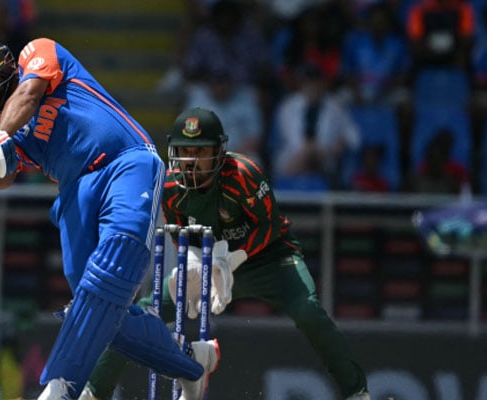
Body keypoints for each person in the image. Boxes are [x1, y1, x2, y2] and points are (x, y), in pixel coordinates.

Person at [0, 35, 219, 400]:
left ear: (3, 62)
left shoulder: (37, 53)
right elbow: (8, 169)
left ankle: (61, 385)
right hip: (76, 192)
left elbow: (27, 96)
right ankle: (193, 365)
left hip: (124, 162)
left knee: (113, 266)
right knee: (102, 308)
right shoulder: (13, 130)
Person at [83, 108, 371, 400]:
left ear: (219, 151)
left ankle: (356, 392)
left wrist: (234, 259)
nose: (190, 161)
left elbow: (269, 225)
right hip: (208, 264)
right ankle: (94, 391)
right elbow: (180, 234)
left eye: (200, 151)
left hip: (268, 260)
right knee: (144, 314)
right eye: (184, 151)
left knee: (308, 311)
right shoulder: (170, 186)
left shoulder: (244, 174)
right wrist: (193, 264)